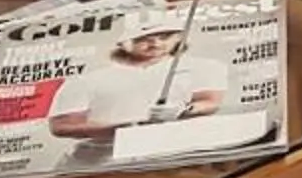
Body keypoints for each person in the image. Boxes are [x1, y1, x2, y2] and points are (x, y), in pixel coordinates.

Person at [48, 19, 230, 137]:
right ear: (123, 44)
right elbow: (62, 126)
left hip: (178, 145)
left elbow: (210, 101)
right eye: (143, 38)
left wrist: (184, 110)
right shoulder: (87, 79)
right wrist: (127, 128)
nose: (156, 43)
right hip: (100, 156)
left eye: (165, 36)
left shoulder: (205, 66)